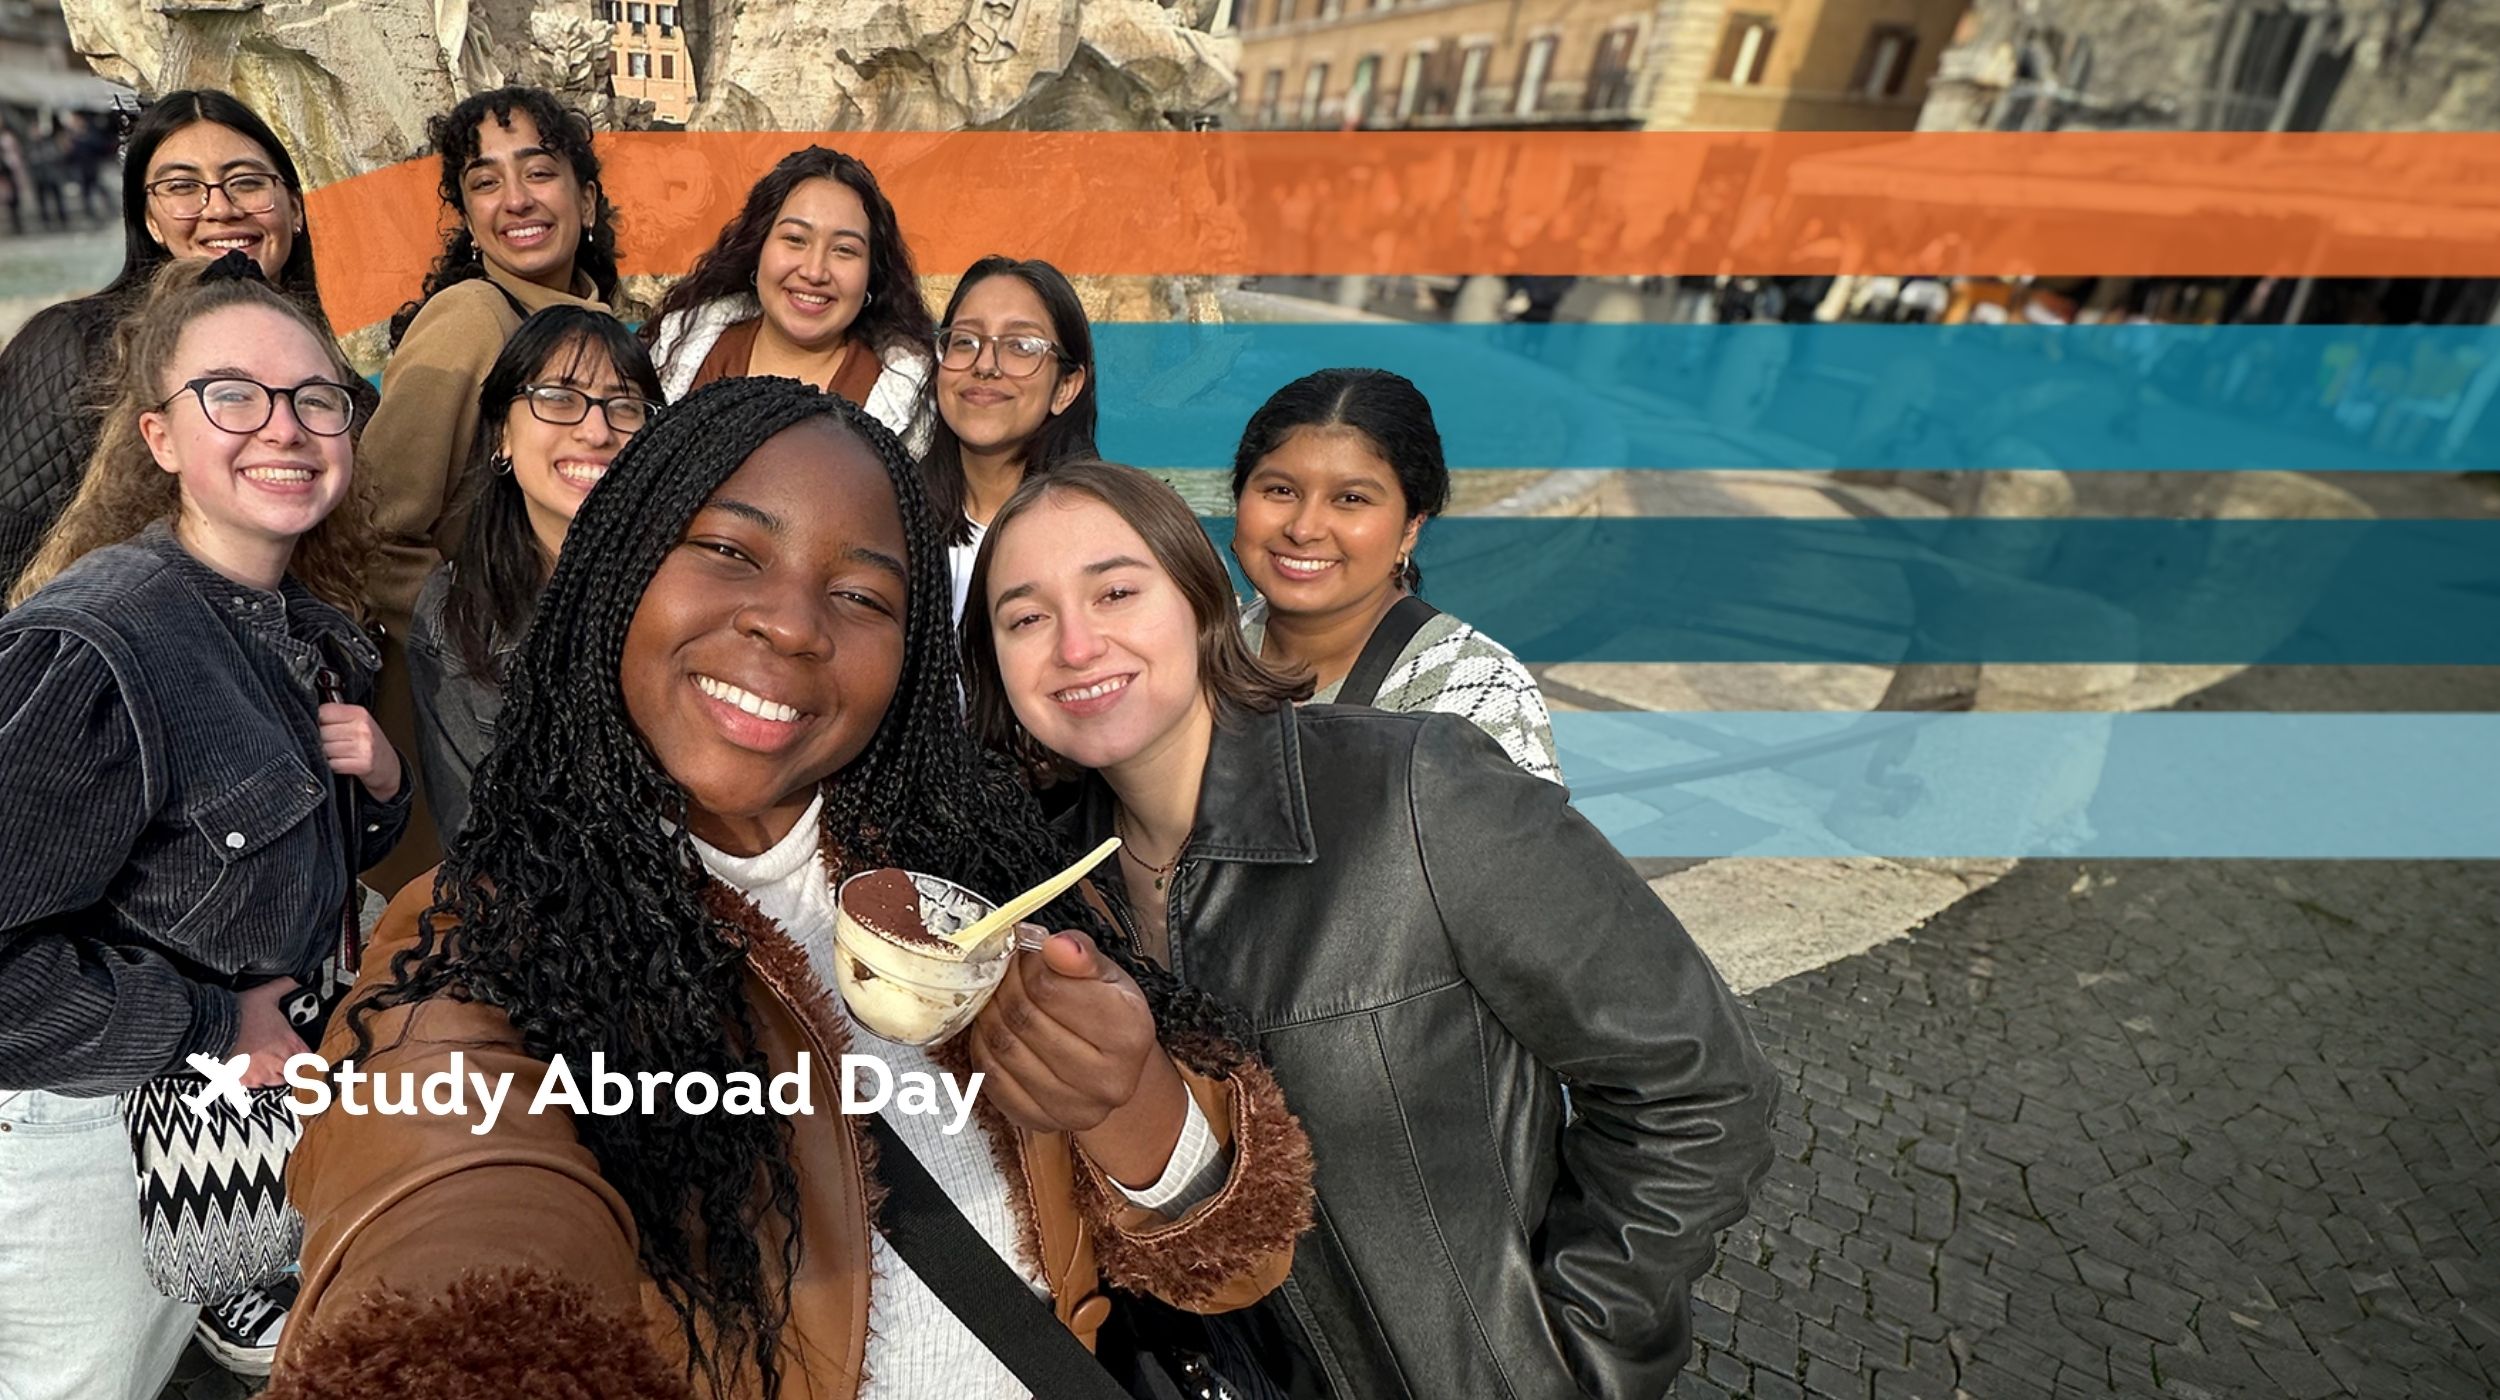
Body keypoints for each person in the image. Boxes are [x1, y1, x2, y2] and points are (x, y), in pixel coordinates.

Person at [269, 379, 1312, 1399]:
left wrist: (1130, 1098)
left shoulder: (982, 883)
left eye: (862, 595)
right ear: (616, 566)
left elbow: (1232, 1256)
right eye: (727, 550)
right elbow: (444, 1195)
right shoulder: (482, 934)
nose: (794, 624)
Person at [965, 461, 1777, 1400]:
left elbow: (1699, 1082)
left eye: (1115, 590)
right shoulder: (1047, 895)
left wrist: (1566, 1366)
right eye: (1024, 617)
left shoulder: (1415, 791)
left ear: (1201, 603)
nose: (1075, 643)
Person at [0, 254, 410, 1397]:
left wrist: (379, 792)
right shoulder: (95, 644)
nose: (283, 425)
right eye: (232, 394)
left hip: (210, 1134)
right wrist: (215, 1014)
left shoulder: (291, 622)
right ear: (160, 436)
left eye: (315, 397)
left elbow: (245, 868)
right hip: (83, 1140)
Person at [360, 85, 623, 887]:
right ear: (467, 217)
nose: (515, 200)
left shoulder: (602, 325)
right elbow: (367, 529)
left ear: (585, 195)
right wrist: (486, 631)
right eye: (484, 181)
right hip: (465, 725)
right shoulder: (474, 318)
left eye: (538, 171)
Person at [0, 90, 346, 597]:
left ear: (295, 208)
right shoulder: (76, 345)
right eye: (182, 187)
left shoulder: (332, 370)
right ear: (150, 220)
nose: (221, 209)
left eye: (247, 183)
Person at [1231, 368, 1563, 783]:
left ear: (1411, 527)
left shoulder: (1470, 689)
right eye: (1281, 490)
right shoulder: (1204, 646)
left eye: (1351, 498)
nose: (1303, 528)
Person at [407, 306, 661, 844]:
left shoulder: (693, 587)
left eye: (624, 406)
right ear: (501, 434)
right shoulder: (457, 610)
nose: (596, 430)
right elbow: (474, 829)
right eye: (558, 398)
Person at [644, 146, 934, 449]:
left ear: (872, 274)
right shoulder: (679, 352)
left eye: (844, 250)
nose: (814, 271)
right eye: (795, 240)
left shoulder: (904, 398)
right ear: (758, 248)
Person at [921, 255, 1097, 621]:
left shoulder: (1105, 532)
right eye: (965, 341)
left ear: (1066, 386)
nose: (985, 365)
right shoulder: (892, 517)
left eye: (1021, 346)